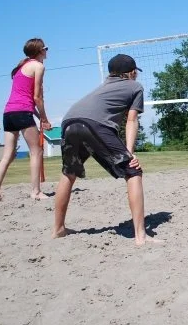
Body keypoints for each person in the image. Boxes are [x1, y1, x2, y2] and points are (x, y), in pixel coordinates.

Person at [51, 54, 159, 246]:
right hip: (95, 125)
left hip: (69, 122)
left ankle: (58, 229)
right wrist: (130, 152)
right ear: (132, 72)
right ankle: (141, 236)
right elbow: (132, 120)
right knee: (133, 171)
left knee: (69, 173)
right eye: (136, 72)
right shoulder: (135, 86)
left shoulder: (102, 87)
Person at [0, 38, 51, 202]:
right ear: (39, 51)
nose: (47, 50)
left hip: (9, 113)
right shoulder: (38, 66)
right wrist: (44, 118)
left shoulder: (21, 66)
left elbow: (27, 100)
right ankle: (36, 191)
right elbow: (37, 98)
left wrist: (40, 118)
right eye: (45, 48)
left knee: (7, 155)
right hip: (22, 112)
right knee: (36, 151)